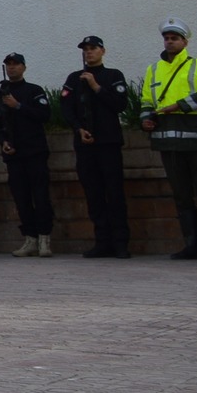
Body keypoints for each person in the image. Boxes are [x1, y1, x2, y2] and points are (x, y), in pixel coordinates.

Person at [141, 17, 197, 260]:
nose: (169, 42)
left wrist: (179, 105)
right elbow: (146, 101)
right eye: (166, 38)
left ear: (185, 42)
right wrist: (146, 119)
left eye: (174, 38)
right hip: (169, 144)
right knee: (181, 194)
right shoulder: (153, 69)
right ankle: (191, 246)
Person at [63, 35, 131, 258]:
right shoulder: (74, 79)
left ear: (102, 51)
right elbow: (67, 109)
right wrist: (78, 129)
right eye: (85, 49)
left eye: (93, 48)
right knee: (94, 194)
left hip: (108, 143)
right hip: (85, 144)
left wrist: (96, 86)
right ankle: (102, 241)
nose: (88, 52)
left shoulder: (113, 76)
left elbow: (120, 105)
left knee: (114, 193)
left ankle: (120, 243)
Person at [0, 53, 54, 258]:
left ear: (24, 67)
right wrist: (3, 142)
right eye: (9, 65)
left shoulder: (33, 91)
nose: (12, 68)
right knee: (21, 198)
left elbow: (44, 115)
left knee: (40, 196)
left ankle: (44, 238)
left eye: (16, 64)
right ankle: (30, 239)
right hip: (13, 154)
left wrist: (18, 106)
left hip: (34, 152)